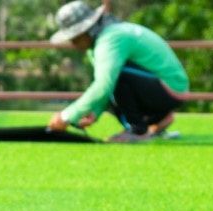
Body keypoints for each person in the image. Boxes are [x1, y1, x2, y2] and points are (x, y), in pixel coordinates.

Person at [46, 1, 189, 142]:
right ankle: (159, 119)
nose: (73, 43)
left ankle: (137, 130)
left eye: (75, 37)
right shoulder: (104, 38)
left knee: (117, 76)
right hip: (167, 90)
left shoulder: (110, 39)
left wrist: (66, 116)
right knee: (112, 79)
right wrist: (95, 112)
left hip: (169, 89)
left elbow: (103, 85)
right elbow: (105, 87)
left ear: (88, 30)